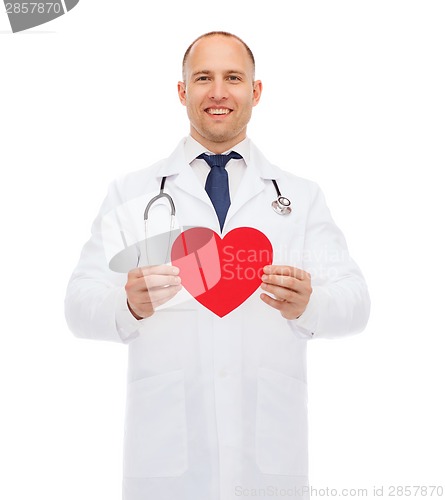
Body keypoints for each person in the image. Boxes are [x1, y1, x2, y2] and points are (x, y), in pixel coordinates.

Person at [65, 31, 370, 500]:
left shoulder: (300, 197)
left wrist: (310, 305)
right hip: (165, 462)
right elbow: (79, 303)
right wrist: (127, 305)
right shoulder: (133, 193)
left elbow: (356, 303)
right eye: (203, 77)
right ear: (183, 91)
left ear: (256, 91)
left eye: (233, 77)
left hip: (269, 462)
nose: (219, 92)